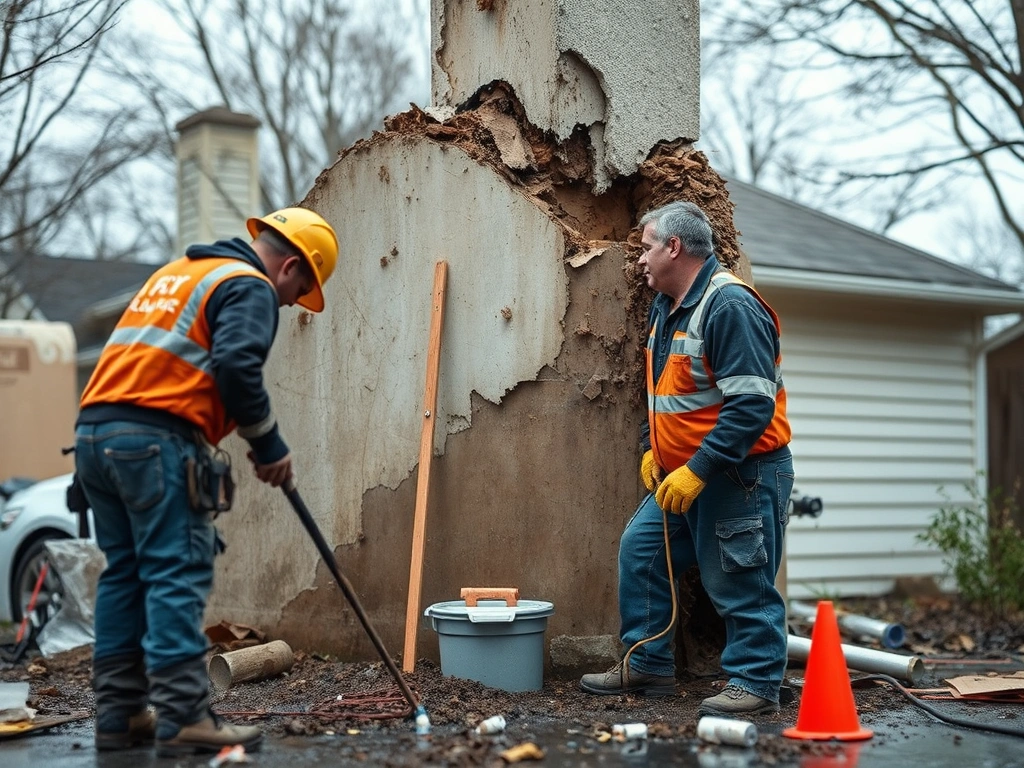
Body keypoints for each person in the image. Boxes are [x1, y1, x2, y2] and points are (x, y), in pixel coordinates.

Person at [73, 208, 339, 756]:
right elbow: (237, 368)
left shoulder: (175, 276)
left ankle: (119, 715)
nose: (286, 306)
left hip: (94, 437)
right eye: (296, 295)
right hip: (155, 442)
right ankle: (185, 717)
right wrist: (269, 448)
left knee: (125, 575)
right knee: (175, 571)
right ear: (290, 267)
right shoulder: (249, 286)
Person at [580, 200, 794, 716]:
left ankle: (757, 683)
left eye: (647, 247)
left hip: (738, 474)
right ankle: (647, 663)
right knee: (642, 551)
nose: (640, 261)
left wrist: (698, 470)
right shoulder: (668, 305)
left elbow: (751, 407)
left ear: (674, 247)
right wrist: (651, 448)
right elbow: (660, 393)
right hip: (683, 474)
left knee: (738, 579)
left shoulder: (730, 307)